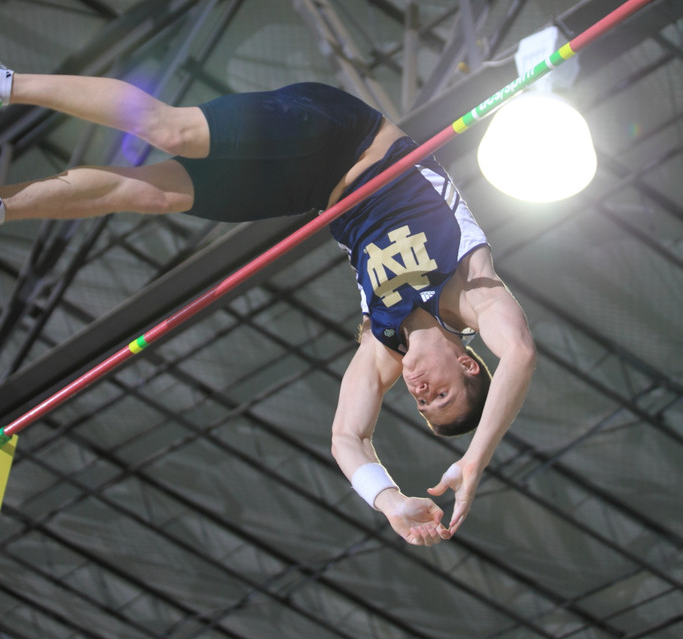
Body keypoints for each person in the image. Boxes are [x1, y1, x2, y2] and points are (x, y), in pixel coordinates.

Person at [0, 66, 536, 546]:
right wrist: (475, 458)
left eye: (422, 405)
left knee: (148, 193)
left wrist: (391, 502)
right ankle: (9, 84)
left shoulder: (383, 344)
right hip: (347, 137)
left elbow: (347, 438)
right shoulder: (469, 291)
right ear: (468, 361)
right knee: (172, 131)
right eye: (440, 393)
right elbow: (519, 355)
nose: (419, 393)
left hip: (309, 188)